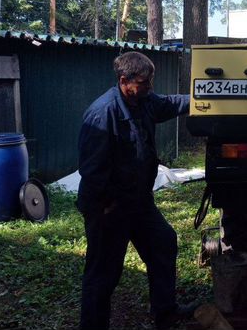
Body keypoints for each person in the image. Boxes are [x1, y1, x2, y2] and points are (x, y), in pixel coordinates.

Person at [77, 51, 193, 330]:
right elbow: (91, 170)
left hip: (139, 202)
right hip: (110, 208)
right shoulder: (102, 114)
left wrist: (202, 99)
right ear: (124, 80)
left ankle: (165, 312)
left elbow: (170, 103)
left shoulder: (144, 101)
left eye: (150, 80)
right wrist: (104, 207)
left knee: (163, 243)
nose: (150, 86)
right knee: (103, 273)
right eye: (144, 81)